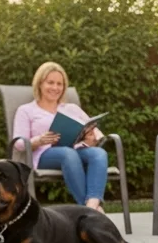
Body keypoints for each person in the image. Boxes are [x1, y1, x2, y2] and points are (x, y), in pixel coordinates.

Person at [11, 62, 108, 211]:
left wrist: (91, 139)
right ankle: (90, 211)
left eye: (59, 84)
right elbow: (18, 143)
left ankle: (92, 205)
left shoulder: (71, 109)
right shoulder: (26, 110)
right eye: (50, 83)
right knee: (67, 153)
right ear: (40, 84)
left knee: (98, 153)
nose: (55, 88)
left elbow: (93, 131)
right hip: (44, 155)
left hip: (74, 150)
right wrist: (39, 140)